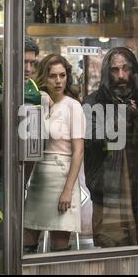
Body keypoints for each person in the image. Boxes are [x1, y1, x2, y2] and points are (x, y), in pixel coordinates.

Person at [0, 37, 45, 271]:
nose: (30, 69)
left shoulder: (29, 84)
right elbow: (3, 100)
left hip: (16, 168)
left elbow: (34, 103)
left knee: (12, 229)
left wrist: (35, 99)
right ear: (9, 58)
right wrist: (34, 99)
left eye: (33, 63)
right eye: (24, 62)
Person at [23, 54, 85, 253]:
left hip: (62, 178)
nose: (58, 81)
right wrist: (24, 182)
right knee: (26, 246)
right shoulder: (36, 102)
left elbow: (78, 152)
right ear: (44, 77)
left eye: (62, 75)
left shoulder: (73, 106)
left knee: (59, 248)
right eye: (52, 76)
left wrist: (68, 190)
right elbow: (31, 146)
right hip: (38, 178)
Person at [83, 47, 138, 248]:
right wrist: (121, 119)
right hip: (108, 193)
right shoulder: (93, 102)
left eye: (126, 69)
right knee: (112, 249)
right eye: (115, 70)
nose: (121, 76)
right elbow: (90, 142)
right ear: (108, 73)